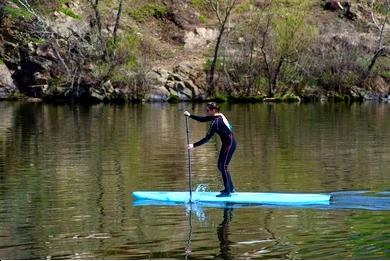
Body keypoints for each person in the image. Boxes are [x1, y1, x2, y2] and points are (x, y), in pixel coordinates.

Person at [184, 102, 237, 197]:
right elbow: (204, 119)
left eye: (207, 110)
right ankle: (230, 188)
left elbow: (207, 138)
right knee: (220, 166)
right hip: (227, 144)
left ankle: (228, 191)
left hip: (230, 144)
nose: (206, 111)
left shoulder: (216, 123)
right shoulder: (219, 116)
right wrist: (190, 115)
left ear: (213, 110)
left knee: (223, 166)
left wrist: (193, 145)